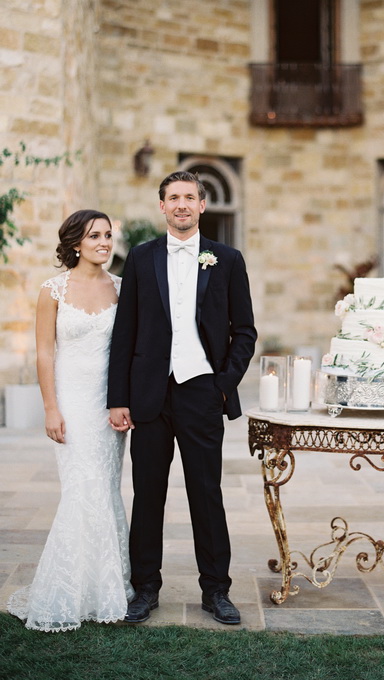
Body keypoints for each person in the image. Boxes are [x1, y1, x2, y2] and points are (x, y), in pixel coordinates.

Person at [107, 170, 256, 625]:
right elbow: (125, 331)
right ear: (162, 206)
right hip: (149, 395)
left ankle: (216, 591)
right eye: (173, 198)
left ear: (202, 205)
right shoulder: (141, 257)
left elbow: (245, 332)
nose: (182, 205)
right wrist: (118, 398)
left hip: (202, 392)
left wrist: (222, 384)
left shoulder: (227, 259)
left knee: (206, 494)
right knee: (148, 495)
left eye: (190, 197)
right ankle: (144, 589)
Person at [7, 210, 133, 631]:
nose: (104, 242)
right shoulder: (53, 289)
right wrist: (50, 407)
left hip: (108, 405)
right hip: (72, 402)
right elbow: (45, 352)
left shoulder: (122, 288)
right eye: (94, 235)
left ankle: (107, 585)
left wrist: (125, 401)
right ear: (76, 243)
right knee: (81, 488)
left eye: (108, 235)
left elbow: (129, 350)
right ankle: (67, 589)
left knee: (107, 488)